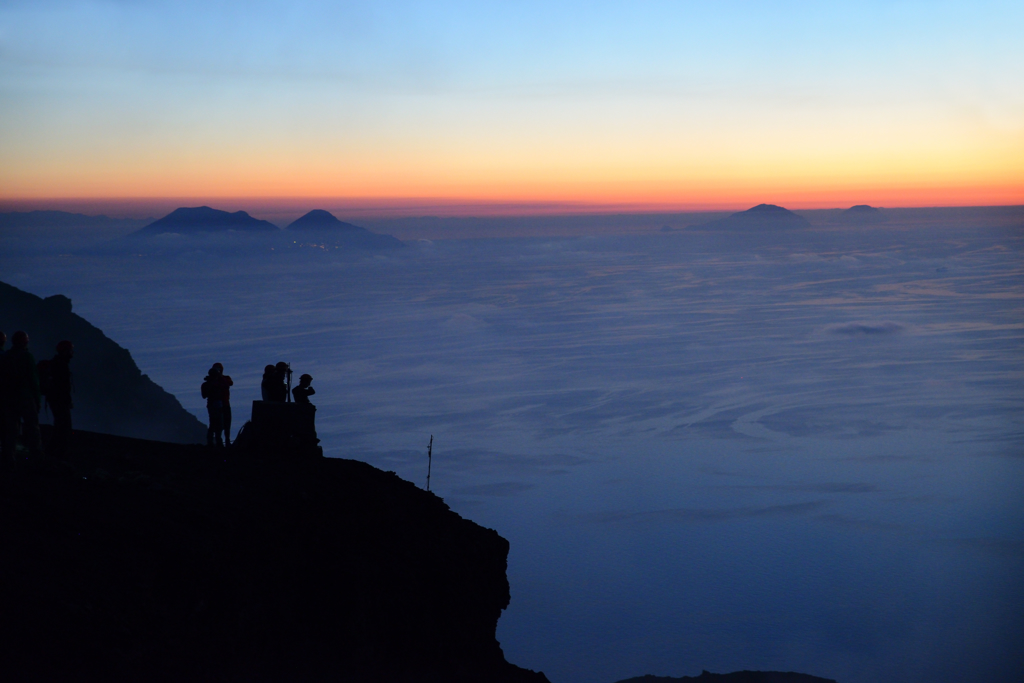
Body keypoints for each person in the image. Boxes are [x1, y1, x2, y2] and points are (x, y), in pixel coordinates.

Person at [3, 331, 42, 462]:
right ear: (25, 342)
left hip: (9, 398)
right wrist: (37, 400)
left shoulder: (6, 356)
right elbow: (34, 380)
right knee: (32, 427)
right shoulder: (27, 357)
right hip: (25, 397)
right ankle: (35, 457)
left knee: (11, 429)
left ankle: (9, 457)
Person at [47, 340, 74, 458]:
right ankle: (59, 452)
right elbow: (63, 387)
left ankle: (52, 451)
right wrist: (67, 401)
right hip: (60, 401)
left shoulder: (55, 363)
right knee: (64, 427)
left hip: (54, 400)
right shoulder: (62, 365)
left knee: (59, 425)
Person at [211, 362, 234, 446]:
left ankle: (226, 441)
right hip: (218, 405)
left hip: (225, 404)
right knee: (218, 425)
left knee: (226, 424)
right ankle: (219, 442)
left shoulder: (225, 378)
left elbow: (230, 383)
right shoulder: (213, 380)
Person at [201, 365, 224, 447]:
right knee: (217, 424)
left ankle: (213, 441)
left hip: (213, 405)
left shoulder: (206, 384)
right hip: (215, 405)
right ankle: (216, 441)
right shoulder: (215, 384)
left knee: (215, 423)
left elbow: (204, 395)